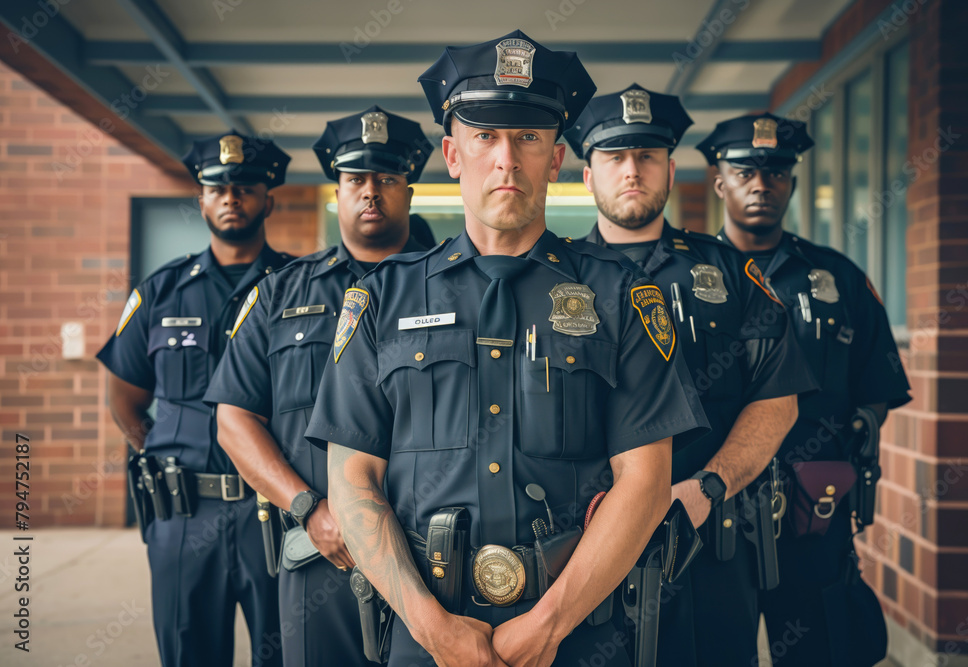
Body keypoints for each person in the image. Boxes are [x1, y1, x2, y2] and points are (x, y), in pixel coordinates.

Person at [304, 30, 708, 667]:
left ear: (554, 160)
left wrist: (549, 623)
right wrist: (430, 625)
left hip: (582, 630)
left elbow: (647, 479)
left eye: (528, 138)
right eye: (485, 136)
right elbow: (352, 476)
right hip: (424, 632)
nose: (507, 160)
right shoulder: (381, 300)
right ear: (452, 154)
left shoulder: (622, 296)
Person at [565, 84, 816, 666]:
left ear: (672, 171)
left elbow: (779, 397)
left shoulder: (730, 272)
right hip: (580, 548)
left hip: (708, 542)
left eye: (647, 156)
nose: (632, 171)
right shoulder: (552, 279)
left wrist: (710, 485)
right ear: (586, 175)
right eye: (614, 157)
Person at [203, 106, 434, 666]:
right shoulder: (280, 295)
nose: (371, 192)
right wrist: (308, 508)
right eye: (356, 179)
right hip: (323, 556)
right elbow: (234, 419)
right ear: (337, 191)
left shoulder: (452, 289)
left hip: (433, 555)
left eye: (387, 178)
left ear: (409, 190)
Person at [698, 113, 912, 667]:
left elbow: (877, 379)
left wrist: (861, 429)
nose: (761, 184)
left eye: (776, 171)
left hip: (812, 503)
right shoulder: (691, 276)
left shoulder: (837, 278)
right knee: (714, 647)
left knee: (819, 646)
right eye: (745, 170)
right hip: (715, 504)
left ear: (792, 181)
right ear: (720, 181)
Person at [96, 131, 292, 667]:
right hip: (183, 516)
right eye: (218, 187)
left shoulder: (302, 289)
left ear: (267, 198)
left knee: (287, 654)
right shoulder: (161, 292)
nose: (232, 197)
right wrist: (161, 455)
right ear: (201, 199)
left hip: (272, 512)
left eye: (246, 186)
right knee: (188, 655)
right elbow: (127, 399)